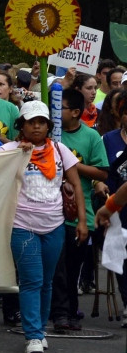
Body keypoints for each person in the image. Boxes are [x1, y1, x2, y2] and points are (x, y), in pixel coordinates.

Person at [0, 101, 86, 353]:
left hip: (55, 225)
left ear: (48, 125)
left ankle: (40, 329)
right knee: (31, 281)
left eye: (41, 122)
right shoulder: (10, 149)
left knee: (47, 282)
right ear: (22, 126)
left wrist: (81, 221)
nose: (36, 126)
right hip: (22, 225)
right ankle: (33, 336)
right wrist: (17, 157)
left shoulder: (60, 150)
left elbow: (76, 185)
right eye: (30, 122)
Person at [49, 87, 107, 331]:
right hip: (51, 212)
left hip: (79, 214)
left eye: (59, 108)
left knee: (72, 269)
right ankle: (60, 313)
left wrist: (71, 164)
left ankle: (71, 311)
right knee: (57, 268)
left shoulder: (91, 137)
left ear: (74, 112)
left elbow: (102, 172)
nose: (55, 113)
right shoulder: (49, 134)